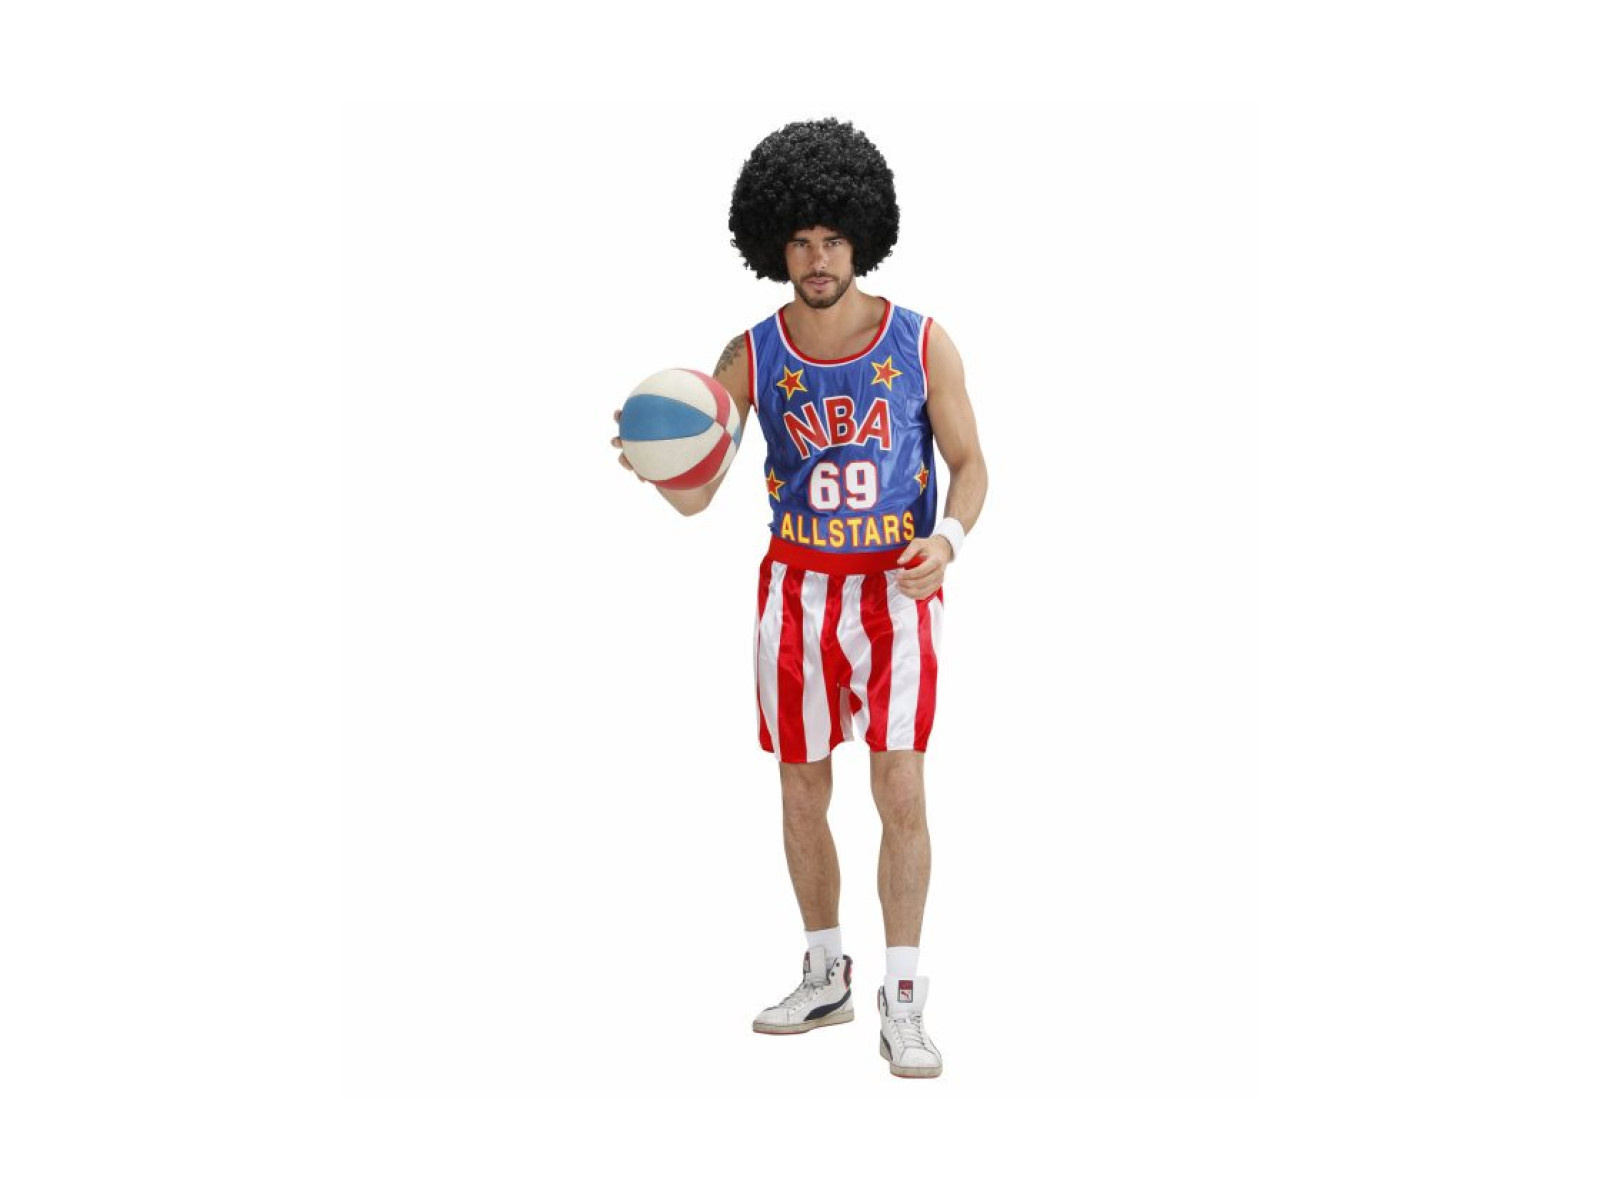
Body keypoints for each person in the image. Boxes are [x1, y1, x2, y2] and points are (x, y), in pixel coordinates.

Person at [611, 118, 987, 1078]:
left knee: (900, 786)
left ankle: (904, 995)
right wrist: (655, 464)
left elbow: (972, 464)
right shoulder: (748, 355)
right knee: (801, 788)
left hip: (896, 591)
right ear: (773, 246)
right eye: (800, 242)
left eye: (832, 240)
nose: (817, 259)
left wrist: (947, 540)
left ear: (861, 240)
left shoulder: (922, 341)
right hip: (796, 593)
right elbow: (698, 498)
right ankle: (826, 974)